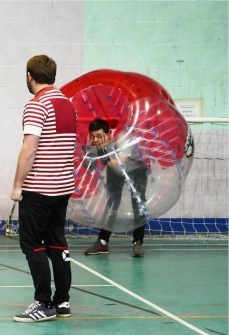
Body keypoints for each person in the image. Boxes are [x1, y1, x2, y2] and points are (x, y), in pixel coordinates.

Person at [10, 55, 77, 322]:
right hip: (62, 188)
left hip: (38, 189)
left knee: (32, 244)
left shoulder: (36, 105)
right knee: (57, 243)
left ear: (30, 76)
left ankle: (43, 303)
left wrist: (17, 185)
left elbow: (30, 148)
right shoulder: (67, 104)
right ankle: (62, 302)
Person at [84, 119, 148, 257]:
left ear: (108, 134)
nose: (96, 139)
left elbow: (121, 167)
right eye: (93, 136)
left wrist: (102, 154)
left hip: (136, 169)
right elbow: (92, 162)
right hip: (114, 166)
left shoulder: (122, 138)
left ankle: (138, 242)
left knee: (138, 204)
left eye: (99, 136)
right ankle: (102, 242)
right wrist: (92, 151)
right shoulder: (95, 142)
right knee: (112, 203)